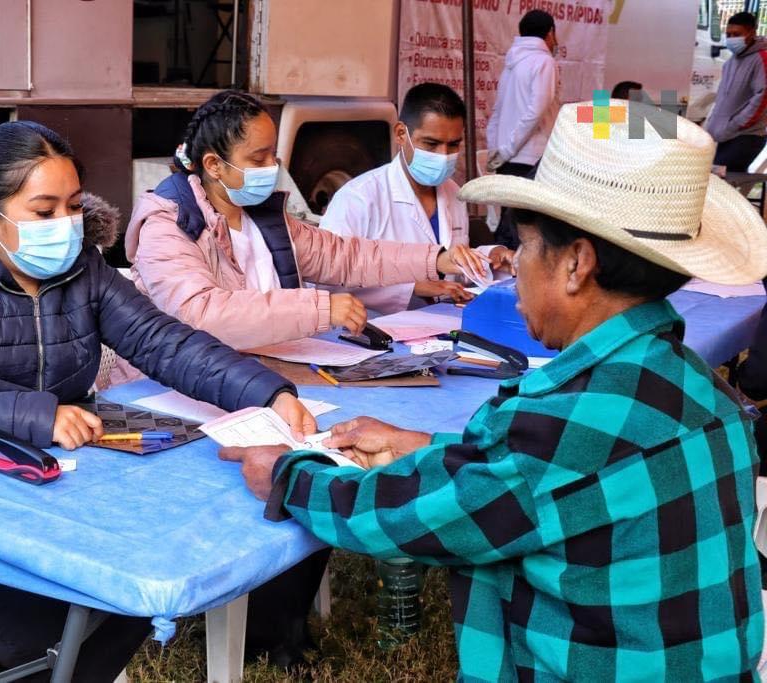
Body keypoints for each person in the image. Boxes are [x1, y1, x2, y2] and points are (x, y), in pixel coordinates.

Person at [221, 101, 767, 678]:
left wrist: (289, 473)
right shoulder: (707, 393)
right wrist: (423, 444)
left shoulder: (559, 430)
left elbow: (412, 518)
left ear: (576, 264)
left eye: (525, 248)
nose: (515, 271)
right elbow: (534, 476)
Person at [0, 121, 325, 679]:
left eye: (74, 206)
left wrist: (266, 392)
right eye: (43, 211)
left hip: (58, 490)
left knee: (138, 576)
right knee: (69, 621)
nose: (65, 226)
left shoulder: (84, 270)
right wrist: (39, 416)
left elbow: (163, 341)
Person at [125, 90, 488, 350]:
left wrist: (436, 258)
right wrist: (320, 309)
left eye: (273, 155)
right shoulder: (167, 226)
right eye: (258, 159)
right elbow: (201, 314)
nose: (272, 168)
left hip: (264, 370)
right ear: (214, 165)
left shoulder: (265, 218)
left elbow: (346, 256)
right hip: (172, 388)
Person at [319, 83, 515, 314]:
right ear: (401, 134)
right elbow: (328, 281)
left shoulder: (453, 192)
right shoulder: (358, 199)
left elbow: (453, 261)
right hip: (375, 329)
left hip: (441, 325)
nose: (443, 156)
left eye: (453, 145)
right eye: (431, 144)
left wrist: (488, 258)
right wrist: (411, 288)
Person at [486, 9, 559, 249]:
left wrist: (497, 150)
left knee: (511, 223)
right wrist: (506, 150)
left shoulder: (512, 61)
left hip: (508, 156)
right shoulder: (545, 61)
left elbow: (497, 111)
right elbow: (536, 111)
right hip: (530, 157)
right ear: (550, 33)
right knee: (527, 230)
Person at [706, 12, 767, 172]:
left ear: (751, 33)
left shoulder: (761, 59)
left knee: (719, 183)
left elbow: (762, 97)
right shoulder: (730, 63)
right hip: (724, 136)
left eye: (737, 34)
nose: (731, 39)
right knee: (712, 182)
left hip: (746, 136)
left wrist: (736, 124)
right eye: (728, 34)